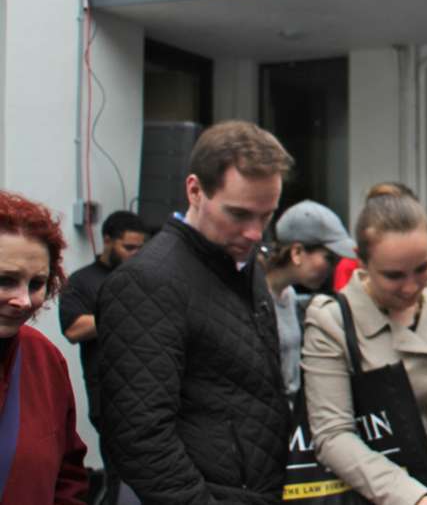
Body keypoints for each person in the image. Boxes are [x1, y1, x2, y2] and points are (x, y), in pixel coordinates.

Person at [97, 120, 294, 503]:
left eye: (266, 216)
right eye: (239, 214)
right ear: (194, 190)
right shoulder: (147, 281)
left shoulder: (242, 261)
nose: (255, 233)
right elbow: (141, 436)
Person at [303, 187, 427, 504]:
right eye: (393, 275)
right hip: (383, 493)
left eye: (422, 268)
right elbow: (332, 435)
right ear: (361, 260)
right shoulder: (332, 321)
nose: (410, 287)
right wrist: (414, 498)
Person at [0, 191, 89, 504]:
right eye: (5, 280)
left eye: (36, 284)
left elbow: (68, 474)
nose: (24, 301)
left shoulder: (43, 358)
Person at [58, 209, 147, 504]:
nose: (135, 254)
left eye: (140, 248)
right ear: (107, 240)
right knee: (120, 477)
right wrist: (122, 312)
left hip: (147, 391)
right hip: (107, 395)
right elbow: (73, 329)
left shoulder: (144, 278)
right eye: (129, 247)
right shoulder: (82, 281)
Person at [264, 200, 356, 404]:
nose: (332, 269)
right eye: (328, 259)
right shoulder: (255, 297)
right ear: (297, 252)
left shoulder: (289, 296)